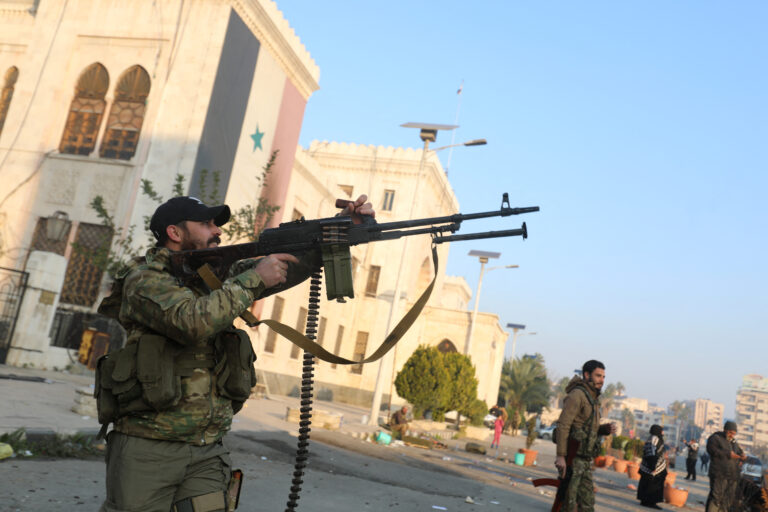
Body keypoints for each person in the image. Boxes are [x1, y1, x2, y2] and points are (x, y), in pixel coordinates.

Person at [97, 194, 375, 512]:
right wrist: (255, 278)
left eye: (216, 223)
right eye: (205, 223)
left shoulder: (212, 277)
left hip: (206, 449)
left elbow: (290, 264)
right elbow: (191, 321)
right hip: (149, 445)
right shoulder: (144, 280)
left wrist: (343, 230)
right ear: (174, 233)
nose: (217, 231)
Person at [554, 360, 617, 512]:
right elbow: (563, 425)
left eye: (603, 377)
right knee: (568, 503)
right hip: (572, 458)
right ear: (587, 374)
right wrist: (561, 456)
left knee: (587, 504)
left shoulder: (593, 397)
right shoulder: (578, 395)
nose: (601, 380)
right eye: (598, 376)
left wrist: (603, 429)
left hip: (584, 460)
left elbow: (587, 427)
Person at [705, 421, 746, 512]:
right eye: (730, 433)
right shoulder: (715, 438)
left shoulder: (734, 442)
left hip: (731, 476)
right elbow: (712, 450)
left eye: (734, 434)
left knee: (726, 499)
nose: (732, 435)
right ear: (725, 430)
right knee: (716, 497)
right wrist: (728, 454)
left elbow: (739, 451)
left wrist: (742, 456)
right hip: (718, 473)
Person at [637, 424, 668, 510]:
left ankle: (645, 501)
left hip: (650, 466)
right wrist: (653, 466)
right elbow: (652, 453)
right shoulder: (655, 439)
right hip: (652, 467)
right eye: (661, 430)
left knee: (646, 484)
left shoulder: (653, 438)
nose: (663, 432)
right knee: (653, 485)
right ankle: (650, 502)